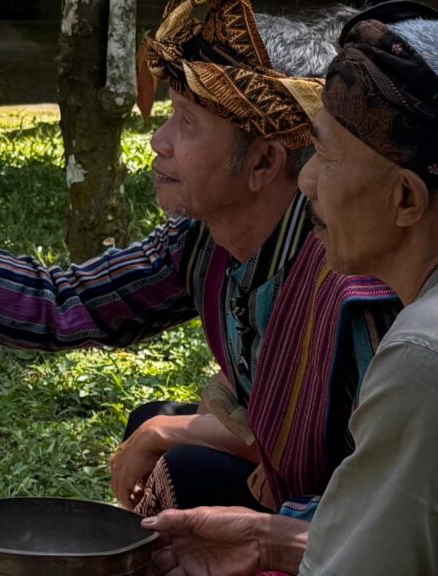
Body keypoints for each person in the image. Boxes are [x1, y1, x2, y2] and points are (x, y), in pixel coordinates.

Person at [0, 0, 399, 524]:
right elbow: (64, 302)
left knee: (180, 465)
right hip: (299, 492)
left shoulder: (353, 284)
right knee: (153, 427)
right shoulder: (202, 242)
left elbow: (392, 499)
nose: (160, 141)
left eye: (188, 124)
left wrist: (258, 529)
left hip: (350, 524)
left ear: (264, 163)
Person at [144, 1, 438, 574]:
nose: (306, 180)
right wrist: (268, 538)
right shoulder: (204, 246)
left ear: (406, 198)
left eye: (324, 155)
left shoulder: (415, 352)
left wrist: (275, 536)